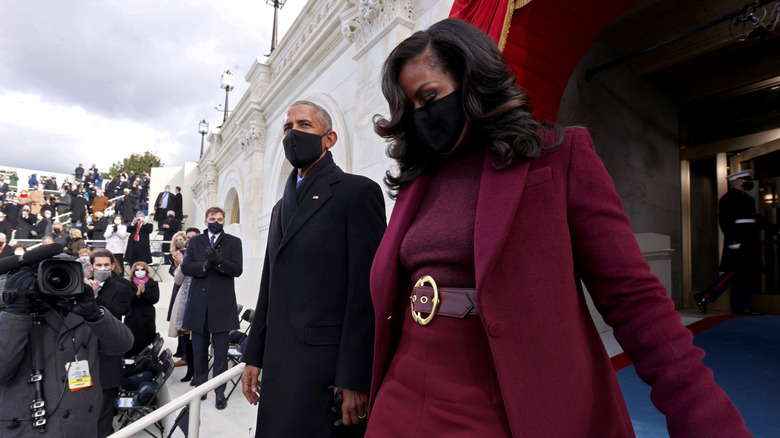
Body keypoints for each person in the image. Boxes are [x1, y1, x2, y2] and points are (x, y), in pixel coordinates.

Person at [361, 19, 751, 438]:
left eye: (430, 96)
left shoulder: (560, 157)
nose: (422, 115)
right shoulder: (417, 180)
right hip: (403, 388)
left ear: (472, 79)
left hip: (505, 397)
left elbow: (634, 300)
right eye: (409, 106)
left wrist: (709, 422)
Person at [241, 100, 386, 436]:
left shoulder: (357, 193)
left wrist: (354, 376)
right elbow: (269, 287)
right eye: (288, 127)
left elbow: (367, 293)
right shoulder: (279, 209)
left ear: (329, 138)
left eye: (304, 125)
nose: (293, 134)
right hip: (279, 366)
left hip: (326, 373)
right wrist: (254, 355)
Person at [0, 261, 134, 438]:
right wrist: (15, 313)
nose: (55, 282)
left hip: (80, 426)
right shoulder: (10, 314)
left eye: (63, 276)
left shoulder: (82, 313)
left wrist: (94, 313)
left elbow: (123, 344)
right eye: (47, 277)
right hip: (28, 426)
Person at [181, 207, 242, 410]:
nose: (216, 221)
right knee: (199, 350)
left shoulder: (233, 242)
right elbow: (186, 267)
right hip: (199, 304)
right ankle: (200, 388)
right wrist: (205, 265)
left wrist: (220, 262)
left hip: (222, 306)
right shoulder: (196, 241)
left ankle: (219, 391)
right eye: (212, 218)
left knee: (221, 352)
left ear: (224, 221)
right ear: (206, 221)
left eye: (220, 218)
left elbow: (237, 269)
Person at [693, 169, 778, 315]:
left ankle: (741, 307)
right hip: (739, 240)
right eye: (746, 179)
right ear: (736, 181)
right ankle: (704, 296)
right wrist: (733, 240)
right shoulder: (728, 198)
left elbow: (755, 218)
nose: (749, 182)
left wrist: (775, 229)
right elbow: (724, 220)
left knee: (746, 274)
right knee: (735, 273)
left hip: (750, 239)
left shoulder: (747, 198)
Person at [85, 249, 133, 437]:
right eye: (98, 265)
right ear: (91, 266)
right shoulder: (80, 285)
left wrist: (96, 297)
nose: (103, 268)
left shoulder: (122, 287)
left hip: (108, 354)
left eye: (106, 265)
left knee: (105, 408)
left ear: (113, 266)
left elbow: (115, 312)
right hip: (83, 352)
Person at [168, 228, 200, 382]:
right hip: (185, 298)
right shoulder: (186, 255)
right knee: (187, 337)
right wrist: (181, 264)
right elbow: (177, 278)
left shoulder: (205, 253)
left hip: (200, 299)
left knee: (198, 341)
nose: (190, 240)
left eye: (193, 237)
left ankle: (198, 374)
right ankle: (190, 371)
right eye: (188, 237)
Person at [124, 261, 160, 357]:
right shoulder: (128, 284)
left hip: (147, 316)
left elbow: (155, 299)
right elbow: (127, 300)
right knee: (131, 339)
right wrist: (137, 294)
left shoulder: (153, 284)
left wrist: (144, 292)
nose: (140, 271)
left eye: (142, 269)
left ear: (146, 271)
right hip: (132, 316)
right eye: (137, 269)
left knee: (146, 338)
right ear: (133, 271)